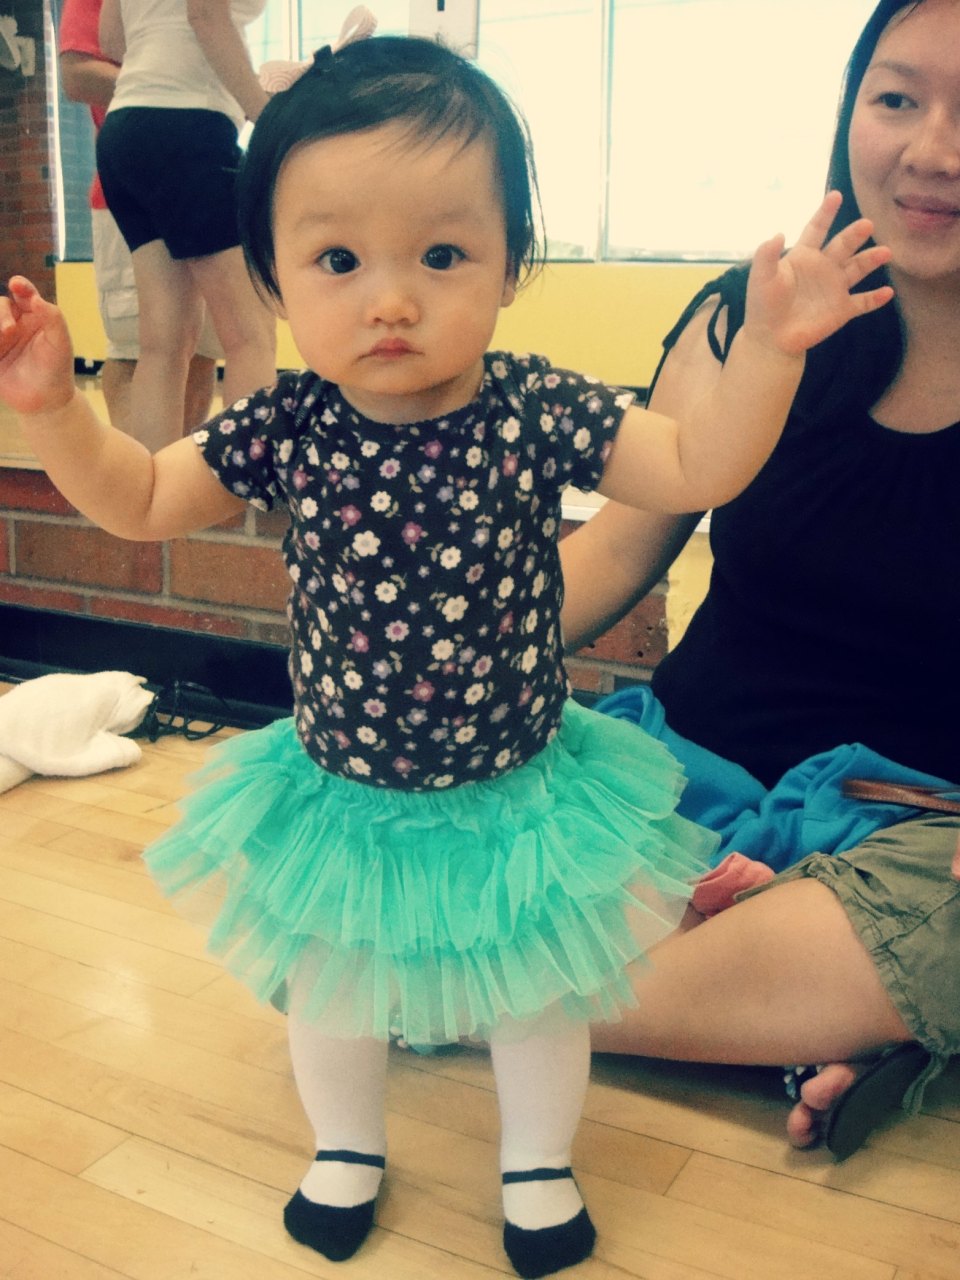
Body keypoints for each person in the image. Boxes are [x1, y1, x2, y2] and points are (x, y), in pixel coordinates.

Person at [0, 34, 890, 1278]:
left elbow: (698, 465)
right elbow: (141, 497)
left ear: (510, 264)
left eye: (441, 254)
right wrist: (54, 410)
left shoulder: (532, 406)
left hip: (518, 790)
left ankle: (538, 1162)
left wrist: (772, 352)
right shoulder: (290, 423)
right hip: (343, 793)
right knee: (334, 986)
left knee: (534, 992)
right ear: (272, 276)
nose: (391, 299)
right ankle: (344, 1146)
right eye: (339, 259)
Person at [559, 0, 960, 1157]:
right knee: (436, 801)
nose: (933, 150)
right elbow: (620, 547)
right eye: (897, 99)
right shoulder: (747, 315)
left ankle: (490, 997)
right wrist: (441, 663)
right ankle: (793, 1014)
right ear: (850, 113)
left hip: (909, 843)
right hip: (675, 789)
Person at [94, 0, 276, 450]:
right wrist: (267, 114)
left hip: (124, 129)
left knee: (164, 344)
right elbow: (205, 16)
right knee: (250, 334)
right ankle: (240, 484)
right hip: (187, 122)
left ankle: (155, 488)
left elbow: (111, 40)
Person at [58, 0, 222, 436]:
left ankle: (179, 474)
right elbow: (76, 75)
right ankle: (139, 480)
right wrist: (176, 85)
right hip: (137, 189)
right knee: (140, 349)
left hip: (206, 183)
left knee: (202, 350)